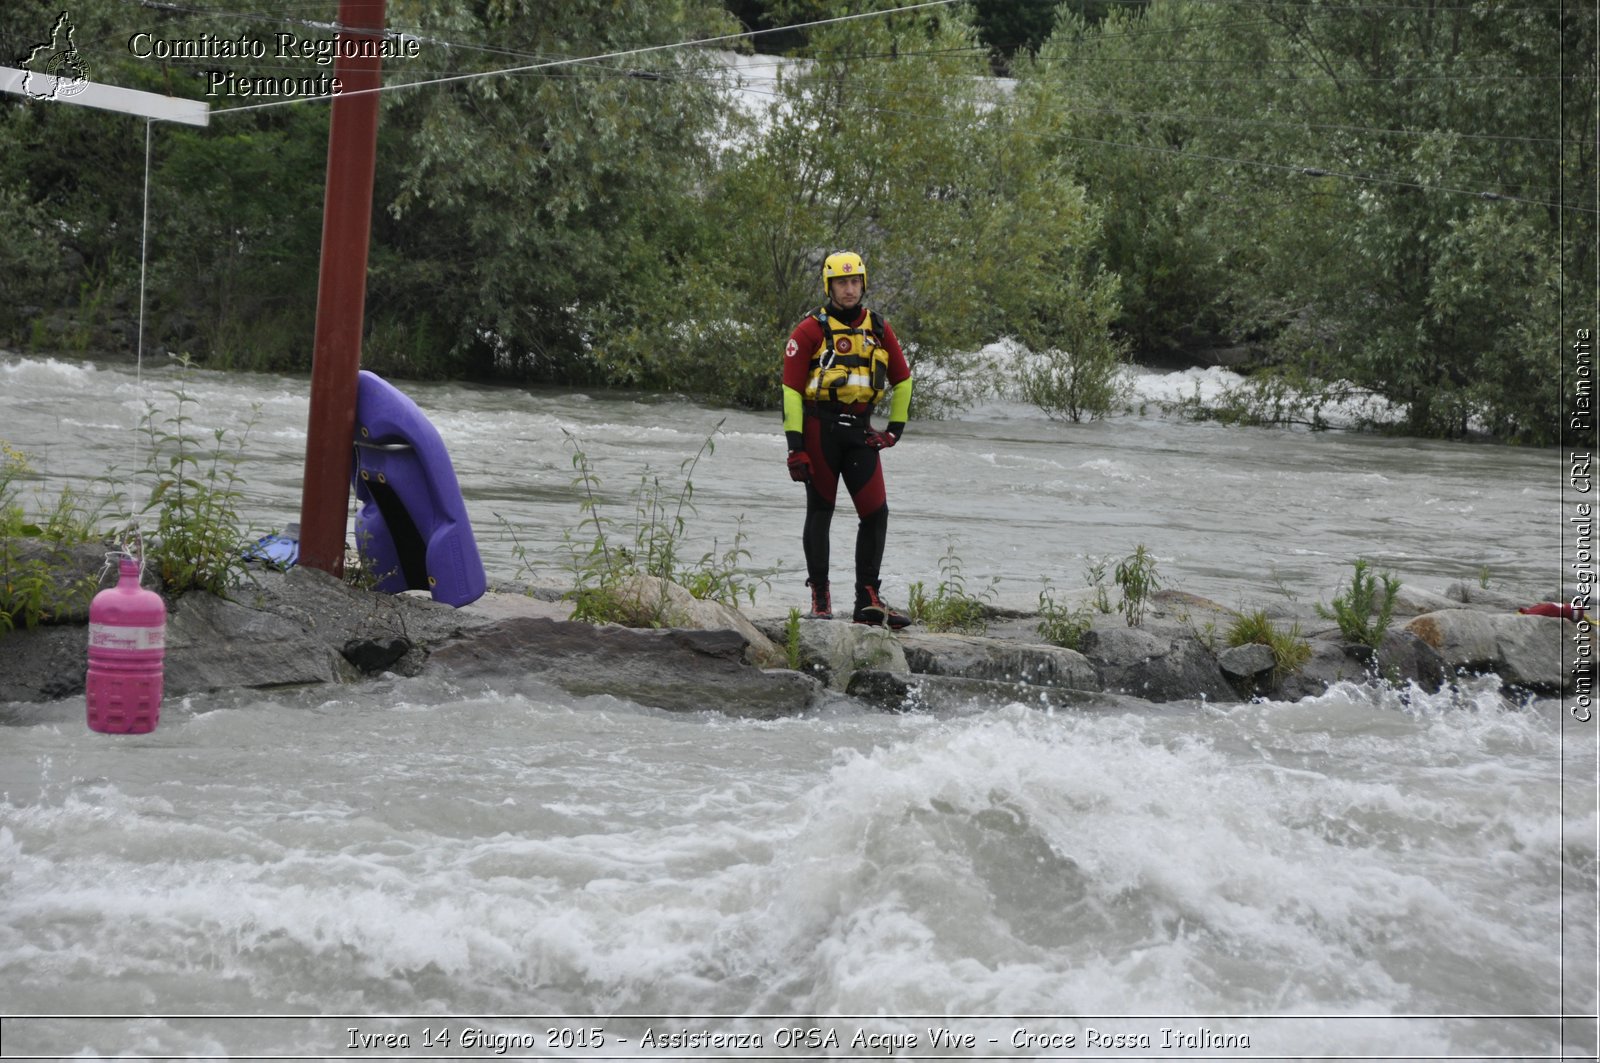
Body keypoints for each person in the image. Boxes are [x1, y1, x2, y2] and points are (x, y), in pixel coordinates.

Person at [781, 250, 913, 627]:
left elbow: (903, 380)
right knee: (820, 511)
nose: (850, 289)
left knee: (876, 513)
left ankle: (867, 600)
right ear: (829, 286)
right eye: (842, 282)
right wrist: (795, 448)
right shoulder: (808, 330)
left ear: (863, 284)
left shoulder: (879, 328)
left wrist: (893, 431)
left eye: (855, 281)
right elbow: (791, 390)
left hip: (860, 433)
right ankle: (820, 597)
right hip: (819, 431)